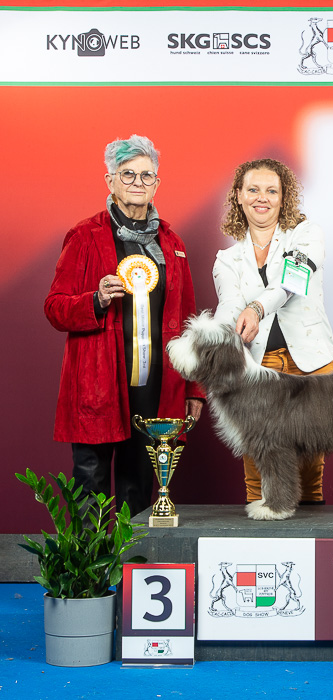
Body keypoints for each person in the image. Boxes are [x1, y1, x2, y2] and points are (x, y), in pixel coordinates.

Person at [44, 134, 205, 516]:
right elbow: (54, 308)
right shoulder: (84, 236)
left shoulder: (173, 243)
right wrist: (95, 300)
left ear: (157, 183)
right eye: (128, 174)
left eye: (146, 175)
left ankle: (135, 555)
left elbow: (189, 322)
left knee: (140, 487)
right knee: (91, 484)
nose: (137, 182)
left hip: (156, 385)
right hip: (100, 383)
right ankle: (91, 558)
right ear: (110, 181)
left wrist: (194, 388)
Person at [213, 158, 333, 504]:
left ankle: (310, 525)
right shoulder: (226, 259)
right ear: (239, 196)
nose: (261, 198)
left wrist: (255, 308)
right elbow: (229, 306)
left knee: (310, 467)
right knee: (258, 459)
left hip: (310, 361)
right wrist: (218, 337)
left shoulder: (307, 234)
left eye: (271, 191)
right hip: (257, 364)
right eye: (253, 190)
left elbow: (292, 281)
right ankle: (260, 519)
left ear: (283, 198)